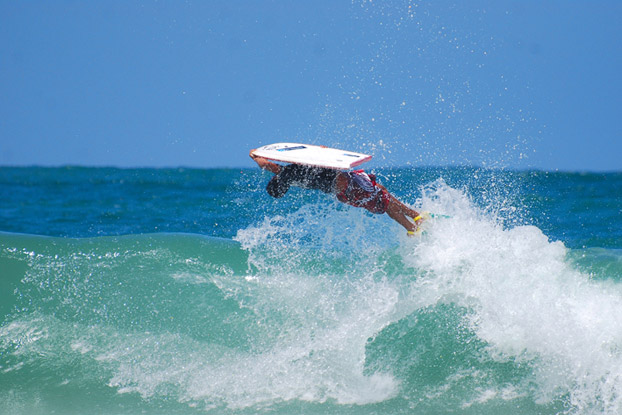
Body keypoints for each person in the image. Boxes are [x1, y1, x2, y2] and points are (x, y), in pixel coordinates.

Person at [250, 149, 423, 234]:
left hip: (342, 192)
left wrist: (321, 152)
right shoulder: (287, 174)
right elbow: (267, 165)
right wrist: (256, 156)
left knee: (380, 198)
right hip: (344, 182)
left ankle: (412, 224)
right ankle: (414, 218)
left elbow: (316, 161)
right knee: (380, 196)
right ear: (277, 181)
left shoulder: (295, 179)